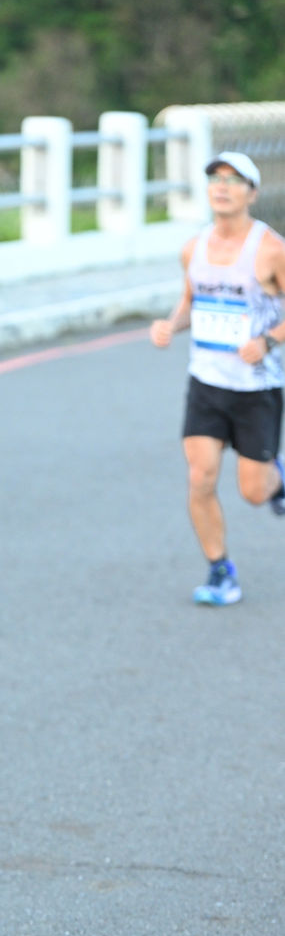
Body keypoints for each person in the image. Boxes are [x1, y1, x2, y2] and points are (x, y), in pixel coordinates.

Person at [150, 151, 285, 605]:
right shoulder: (194, 247)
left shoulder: (271, 249)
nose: (222, 187)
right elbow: (191, 302)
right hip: (206, 383)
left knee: (254, 492)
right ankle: (220, 570)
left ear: (253, 193)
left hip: (257, 387)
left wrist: (267, 341)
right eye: (215, 179)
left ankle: (277, 479)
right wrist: (171, 324)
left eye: (233, 180)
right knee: (200, 477)